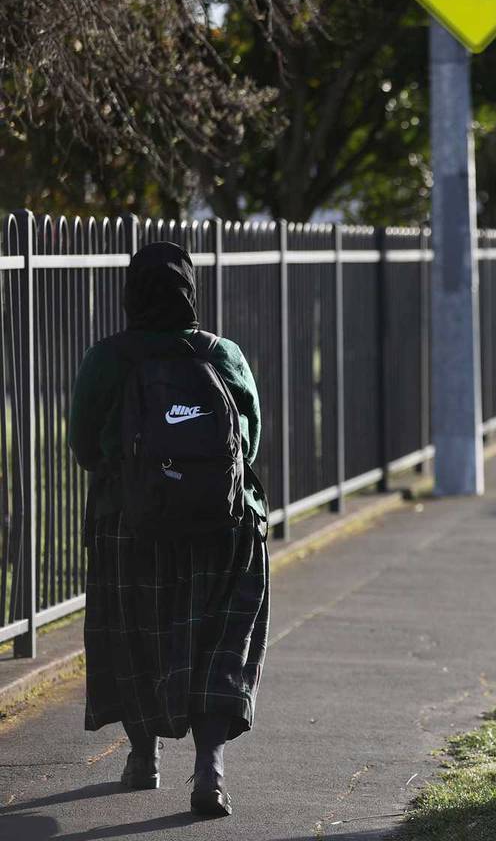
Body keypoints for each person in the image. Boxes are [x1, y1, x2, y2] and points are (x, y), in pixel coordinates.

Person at [69, 242, 269, 818]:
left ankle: (143, 758)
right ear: (190, 294)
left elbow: (84, 447)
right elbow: (248, 441)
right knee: (219, 643)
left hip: (129, 525)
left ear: (131, 295)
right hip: (224, 527)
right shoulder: (221, 353)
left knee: (135, 636)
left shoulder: (107, 359)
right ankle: (210, 769)